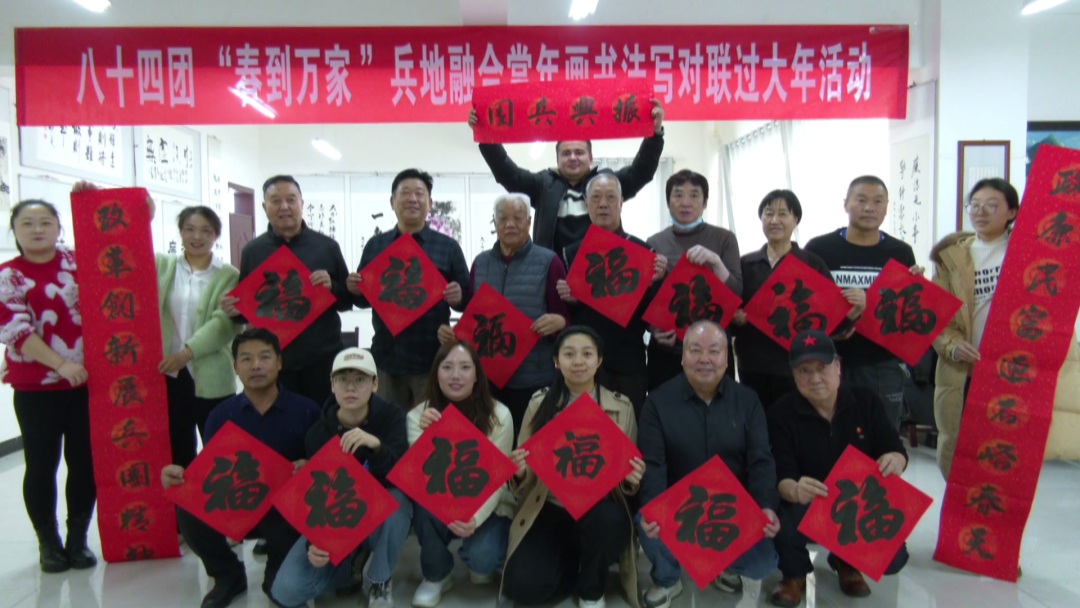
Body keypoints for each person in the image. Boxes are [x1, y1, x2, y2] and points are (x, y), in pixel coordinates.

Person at [931, 178, 1080, 479]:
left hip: (1015, 373)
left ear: (1012, 212)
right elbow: (938, 315)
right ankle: (962, 509)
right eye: (974, 205)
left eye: (992, 205)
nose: (980, 212)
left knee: (1009, 455)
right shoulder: (951, 257)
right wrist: (952, 346)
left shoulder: (1033, 252)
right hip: (964, 371)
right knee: (960, 452)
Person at [161, 329, 321, 608]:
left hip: (285, 516)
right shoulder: (221, 415)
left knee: (282, 591)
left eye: (264, 357)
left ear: (279, 362)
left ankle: (276, 572)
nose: (256, 365)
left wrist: (310, 467)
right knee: (188, 511)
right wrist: (178, 478)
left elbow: (324, 471)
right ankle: (228, 576)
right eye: (246, 359)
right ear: (235, 367)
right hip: (239, 504)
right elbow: (210, 472)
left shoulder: (307, 411)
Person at [637, 320, 780, 607]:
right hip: (680, 507)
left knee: (762, 563)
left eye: (714, 351)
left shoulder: (748, 400)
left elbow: (761, 461)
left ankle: (724, 565)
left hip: (728, 508)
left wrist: (765, 504)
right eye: (695, 350)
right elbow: (652, 465)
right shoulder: (658, 402)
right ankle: (668, 577)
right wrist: (654, 506)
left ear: (727, 358)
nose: (705, 359)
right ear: (682, 357)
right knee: (646, 517)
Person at [501, 326, 646, 608]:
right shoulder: (540, 403)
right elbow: (526, 467)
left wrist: (631, 480)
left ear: (599, 360)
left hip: (598, 507)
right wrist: (519, 473)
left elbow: (626, 471)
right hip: (549, 506)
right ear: (557, 361)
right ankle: (572, 563)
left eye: (586, 354)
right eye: (569, 354)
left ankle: (591, 588)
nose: (578, 361)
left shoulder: (622, 407)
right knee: (523, 589)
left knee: (612, 520)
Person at [767, 330, 909, 607]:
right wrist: (794, 489)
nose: (815, 378)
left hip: (857, 501)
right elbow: (781, 474)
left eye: (822, 368)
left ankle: (846, 561)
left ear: (838, 366)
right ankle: (794, 574)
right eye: (804, 370)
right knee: (780, 519)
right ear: (793, 374)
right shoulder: (781, 412)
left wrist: (895, 459)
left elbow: (895, 448)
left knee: (894, 559)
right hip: (808, 501)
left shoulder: (865, 400)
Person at [272, 346, 412, 608]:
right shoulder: (318, 434)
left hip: (377, 513)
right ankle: (348, 565)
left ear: (375, 384)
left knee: (400, 502)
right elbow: (315, 497)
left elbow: (401, 477)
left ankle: (380, 579)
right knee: (285, 591)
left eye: (360, 380)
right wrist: (313, 542)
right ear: (332, 385)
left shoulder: (391, 415)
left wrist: (376, 447)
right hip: (339, 517)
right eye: (343, 379)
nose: (350, 388)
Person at [0, 200, 96, 573]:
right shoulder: (8, 275)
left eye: (45, 222)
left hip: (86, 384)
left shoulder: (78, 263)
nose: (37, 229)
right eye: (27, 223)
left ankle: (78, 538)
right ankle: (48, 542)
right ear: (14, 231)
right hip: (36, 390)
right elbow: (16, 331)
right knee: (41, 465)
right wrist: (61, 364)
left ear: (59, 227)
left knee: (84, 463)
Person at [438, 193, 569, 438]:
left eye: (518, 218)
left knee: (529, 444)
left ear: (529, 222)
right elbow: (473, 316)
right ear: (495, 222)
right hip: (486, 377)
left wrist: (559, 322)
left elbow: (567, 318)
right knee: (488, 442)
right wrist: (454, 336)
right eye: (503, 218)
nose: (510, 224)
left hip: (533, 375)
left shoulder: (549, 262)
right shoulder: (481, 263)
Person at [220, 175, 353, 408]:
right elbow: (249, 307)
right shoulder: (253, 251)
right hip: (276, 360)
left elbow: (347, 301)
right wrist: (234, 311)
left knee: (324, 420)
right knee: (280, 421)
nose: (284, 207)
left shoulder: (326, 247)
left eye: (291, 200)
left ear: (302, 203)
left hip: (322, 357)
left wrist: (332, 287)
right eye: (275, 201)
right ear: (265, 207)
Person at [468, 102, 665, 255]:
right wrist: (485, 137)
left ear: (591, 158)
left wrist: (655, 135)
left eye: (579, 152)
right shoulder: (543, 184)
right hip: (553, 273)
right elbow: (509, 175)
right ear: (557, 159)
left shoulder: (606, 182)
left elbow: (641, 171)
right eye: (566, 153)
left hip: (598, 272)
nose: (572, 158)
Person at [805, 176, 922, 430]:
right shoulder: (819, 248)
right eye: (861, 200)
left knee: (880, 435)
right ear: (845, 204)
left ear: (887, 206)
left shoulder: (900, 252)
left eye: (878, 201)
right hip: (827, 358)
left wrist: (920, 287)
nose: (869, 208)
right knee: (827, 433)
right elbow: (806, 304)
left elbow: (905, 312)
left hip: (881, 362)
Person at [348, 169, 471, 411]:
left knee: (429, 427)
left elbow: (467, 299)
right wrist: (355, 289)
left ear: (430, 203)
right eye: (405, 193)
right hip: (387, 358)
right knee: (389, 426)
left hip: (432, 360)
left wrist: (459, 296)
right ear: (392, 202)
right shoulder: (376, 246)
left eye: (419, 193)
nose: (412, 199)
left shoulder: (447, 247)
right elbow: (363, 300)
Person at [732, 190, 864, 410]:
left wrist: (855, 311)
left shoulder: (812, 264)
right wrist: (735, 319)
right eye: (768, 214)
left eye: (783, 214)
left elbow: (832, 321)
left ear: (796, 220)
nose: (775, 220)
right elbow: (729, 316)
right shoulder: (745, 264)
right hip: (753, 365)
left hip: (799, 365)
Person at [407, 340, 513, 607]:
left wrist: (474, 518)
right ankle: (437, 574)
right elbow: (420, 476)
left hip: (485, 504)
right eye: (447, 367)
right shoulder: (419, 415)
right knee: (420, 500)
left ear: (477, 375)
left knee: (482, 561)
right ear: (436, 373)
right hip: (438, 499)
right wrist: (428, 435)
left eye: (465, 367)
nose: (456, 375)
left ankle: (478, 553)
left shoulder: (500, 415)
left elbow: (498, 479)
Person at [558, 172, 668, 417]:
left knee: (628, 428)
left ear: (621, 203)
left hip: (629, 359)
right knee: (586, 426)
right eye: (596, 198)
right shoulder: (570, 253)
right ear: (586, 204)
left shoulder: (643, 252)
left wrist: (654, 283)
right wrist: (571, 301)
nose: (603, 204)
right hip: (585, 361)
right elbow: (563, 317)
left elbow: (652, 315)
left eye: (610, 197)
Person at [156, 205, 241, 467]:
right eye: (190, 229)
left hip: (213, 376)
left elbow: (224, 324)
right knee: (178, 449)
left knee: (220, 451)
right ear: (180, 232)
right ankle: (185, 496)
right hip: (170, 374)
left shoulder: (228, 275)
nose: (197, 237)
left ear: (216, 235)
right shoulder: (162, 266)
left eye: (206, 231)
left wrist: (186, 354)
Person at [645, 169, 742, 391]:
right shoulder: (654, 242)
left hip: (713, 351)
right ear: (668, 202)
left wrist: (716, 262)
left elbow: (737, 294)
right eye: (678, 195)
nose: (685, 202)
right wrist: (653, 329)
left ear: (705, 202)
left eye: (694, 195)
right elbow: (645, 299)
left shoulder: (724, 239)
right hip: (669, 350)